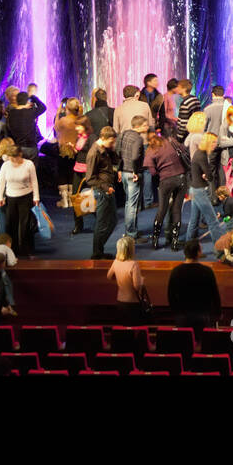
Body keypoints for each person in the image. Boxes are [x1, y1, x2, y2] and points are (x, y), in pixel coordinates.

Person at [166, 238, 221, 334]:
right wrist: (217, 312)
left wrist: (176, 312)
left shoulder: (176, 272)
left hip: (182, 315)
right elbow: (214, 294)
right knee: (204, 345)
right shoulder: (207, 271)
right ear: (198, 253)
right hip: (203, 315)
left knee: (185, 345)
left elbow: (171, 295)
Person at [145, 132, 189, 250]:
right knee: (176, 210)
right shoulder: (171, 140)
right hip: (181, 178)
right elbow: (184, 150)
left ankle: (155, 242)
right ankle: (174, 242)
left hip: (166, 181)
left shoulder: (150, 150)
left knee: (161, 210)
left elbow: (153, 172)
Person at [0, 143, 40, 256]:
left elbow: (34, 182)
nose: (12, 160)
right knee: (11, 224)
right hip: (11, 198)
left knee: (25, 225)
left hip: (26, 197)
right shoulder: (6, 165)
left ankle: (26, 249)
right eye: (11, 157)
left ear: (20, 154)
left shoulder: (29, 164)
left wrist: (36, 197)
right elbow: (1, 182)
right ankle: (12, 250)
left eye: (14, 157)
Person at [83, 125, 120, 259]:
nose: (113, 144)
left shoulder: (105, 149)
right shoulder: (94, 153)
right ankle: (97, 252)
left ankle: (99, 249)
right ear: (103, 138)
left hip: (107, 189)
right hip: (102, 191)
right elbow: (90, 179)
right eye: (111, 141)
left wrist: (112, 148)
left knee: (112, 221)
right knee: (102, 222)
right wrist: (106, 188)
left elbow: (116, 160)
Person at [186, 133, 227, 245]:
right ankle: (220, 248)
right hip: (199, 190)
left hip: (194, 189)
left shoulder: (199, 153)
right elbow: (210, 176)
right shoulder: (202, 155)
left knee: (194, 221)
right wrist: (206, 175)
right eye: (213, 142)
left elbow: (206, 174)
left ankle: (189, 248)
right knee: (213, 220)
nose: (215, 144)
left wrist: (206, 175)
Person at [116, 114, 148, 239]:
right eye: (145, 125)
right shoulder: (138, 139)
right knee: (132, 204)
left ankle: (131, 230)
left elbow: (118, 151)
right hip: (132, 174)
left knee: (128, 203)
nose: (147, 127)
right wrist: (135, 171)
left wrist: (119, 169)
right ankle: (131, 233)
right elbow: (135, 157)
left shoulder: (124, 134)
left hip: (124, 171)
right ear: (139, 126)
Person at [107, 235, 148, 322]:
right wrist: (141, 280)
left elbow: (109, 276)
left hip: (120, 301)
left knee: (123, 330)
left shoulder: (116, 262)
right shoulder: (133, 264)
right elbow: (137, 287)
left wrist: (120, 278)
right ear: (131, 250)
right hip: (133, 303)